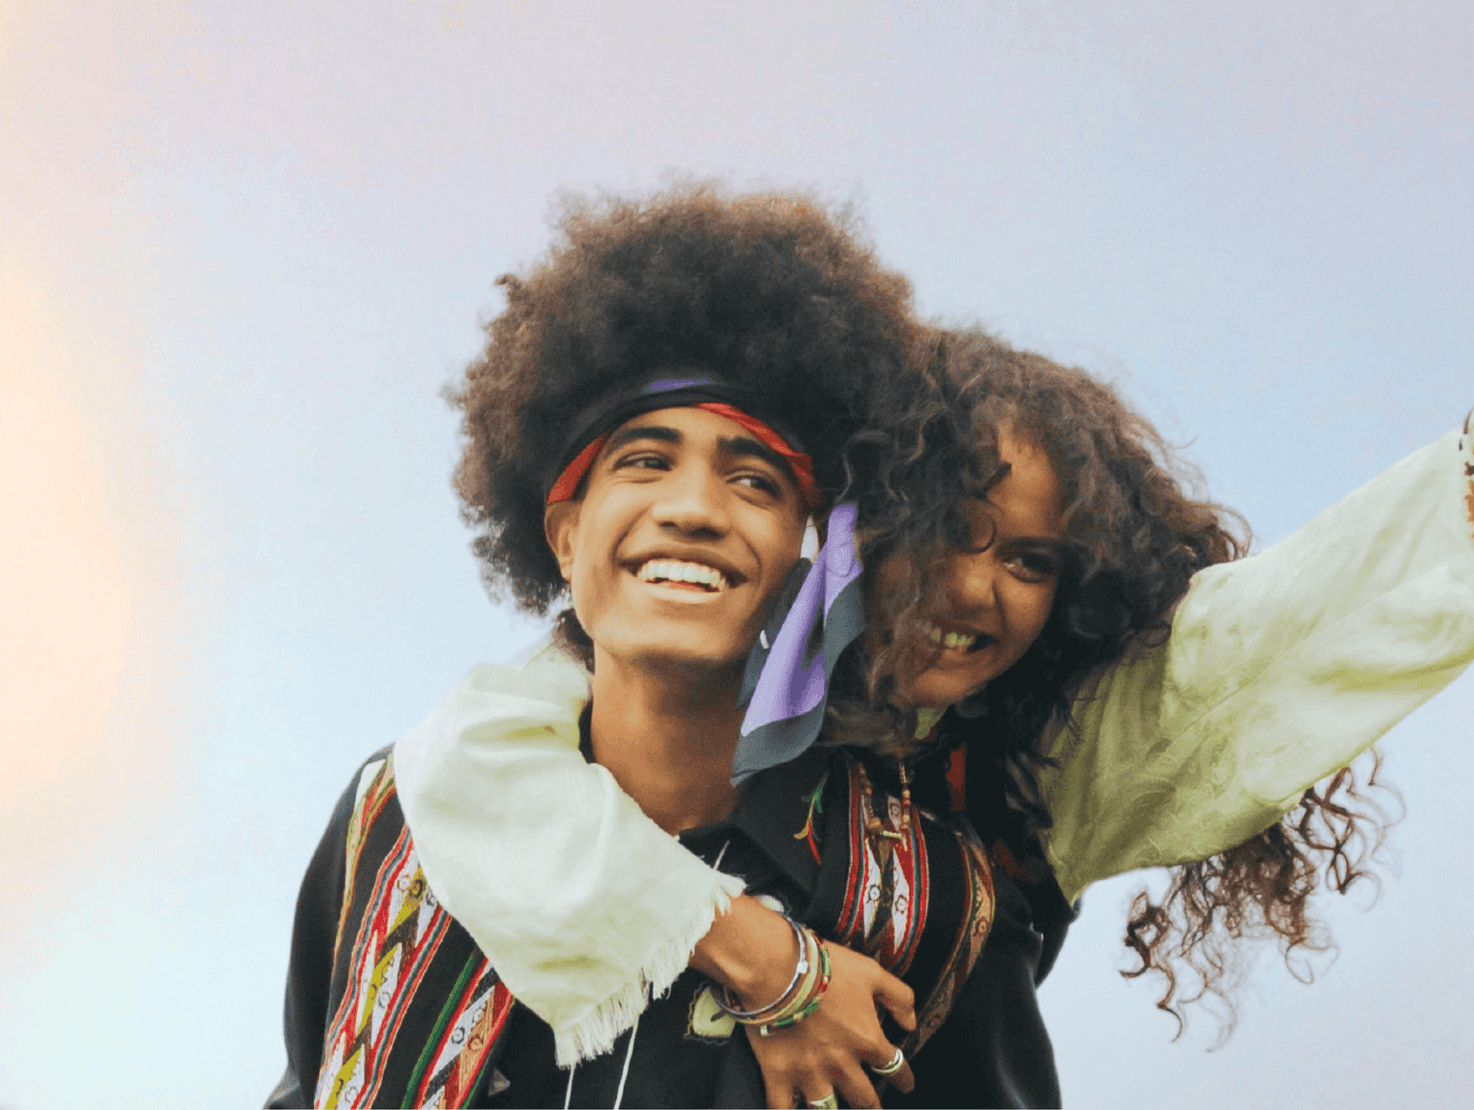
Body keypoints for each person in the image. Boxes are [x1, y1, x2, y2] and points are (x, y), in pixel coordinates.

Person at [386, 87, 1474, 1108]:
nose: (977, 590)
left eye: (1033, 561)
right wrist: (765, 959)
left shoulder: (1003, 802)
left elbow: (1279, 626)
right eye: (947, 534)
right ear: (855, 531)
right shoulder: (459, 786)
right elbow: (459, 770)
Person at [269, 186, 1019, 1109]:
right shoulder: (397, 823)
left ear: (804, 557)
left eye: (754, 479)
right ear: (564, 537)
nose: (695, 509)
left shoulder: (928, 902)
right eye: (645, 460)